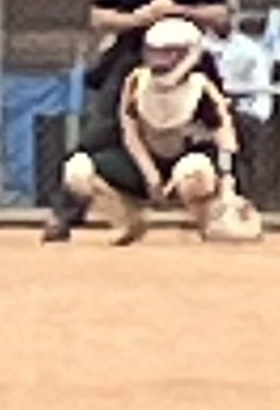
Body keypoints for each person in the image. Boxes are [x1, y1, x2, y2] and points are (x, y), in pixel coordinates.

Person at [42, 0, 227, 241]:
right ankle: (68, 212)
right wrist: (139, 18)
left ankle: (219, 209)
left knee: (212, 129)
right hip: (133, 54)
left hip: (186, 59)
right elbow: (99, 16)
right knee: (97, 134)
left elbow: (220, 14)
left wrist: (179, 10)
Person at [62, 17, 243, 244]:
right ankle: (129, 220)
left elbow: (225, 139)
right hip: (143, 165)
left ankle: (208, 221)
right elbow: (131, 132)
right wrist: (151, 176)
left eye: (168, 53)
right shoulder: (137, 82)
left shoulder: (201, 89)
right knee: (77, 170)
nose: (157, 60)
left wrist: (227, 185)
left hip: (184, 165)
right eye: (154, 52)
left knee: (194, 171)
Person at [204, 0, 274, 206]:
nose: (226, 19)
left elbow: (262, 90)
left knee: (243, 134)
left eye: (231, 13)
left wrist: (257, 116)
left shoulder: (249, 49)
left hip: (241, 112)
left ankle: (247, 200)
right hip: (204, 112)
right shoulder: (198, 45)